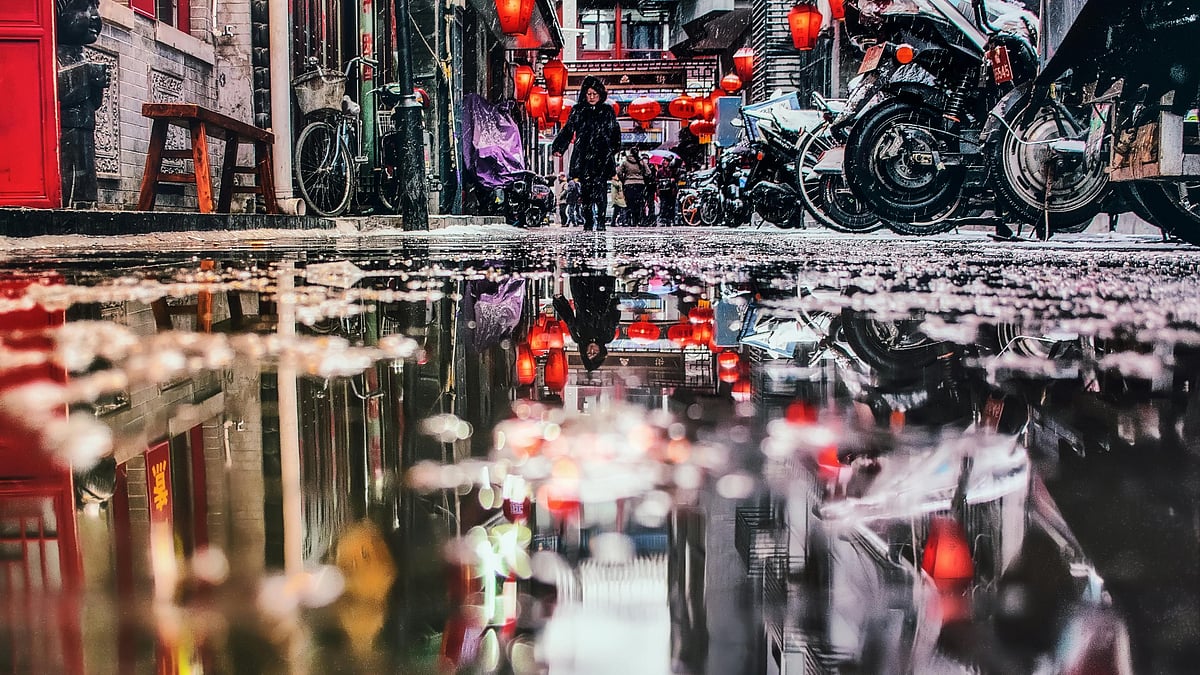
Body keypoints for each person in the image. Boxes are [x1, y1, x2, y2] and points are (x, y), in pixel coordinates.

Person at [552, 77, 622, 232]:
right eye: (589, 94)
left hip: (602, 156)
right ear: (584, 94)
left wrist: (613, 148)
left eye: (594, 94)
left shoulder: (607, 111)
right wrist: (559, 147)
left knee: (601, 189)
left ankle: (601, 220)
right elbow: (568, 129)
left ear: (600, 95)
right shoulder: (578, 110)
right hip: (583, 156)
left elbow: (615, 131)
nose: (591, 97)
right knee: (586, 191)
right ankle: (588, 220)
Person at [553, 273, 620, 372]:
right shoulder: (607, 337)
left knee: (579, 266)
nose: (592, 350)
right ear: (601, 352)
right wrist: (615, 300)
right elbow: (614, 318)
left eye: (589, 353)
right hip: (603, 294)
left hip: (581, 294)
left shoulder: (578, 337)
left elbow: (569, 319)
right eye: (595, 353)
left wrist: (559, 301)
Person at [617, 148, 652, 227]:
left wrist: (624, 179)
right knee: (639, 203)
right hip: (640, 184)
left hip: (628, 184)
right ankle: (638, 220)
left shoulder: (625, 162)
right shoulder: (641, 162)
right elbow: (648, 172)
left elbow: (619, 172)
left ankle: (629, 220)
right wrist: (642, 177)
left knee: (629, 203)